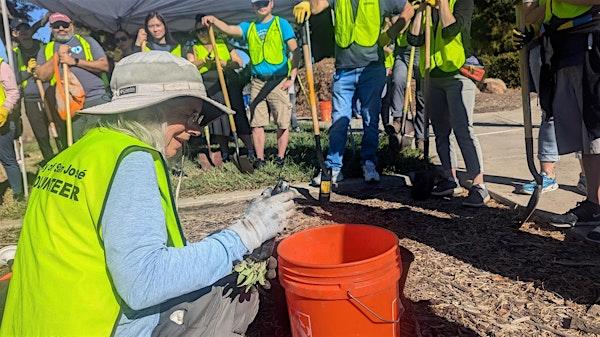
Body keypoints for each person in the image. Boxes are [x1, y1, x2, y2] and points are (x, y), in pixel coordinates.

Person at [0, 51, 296, 337]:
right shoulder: (132, 159)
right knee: (227, 294)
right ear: (149, 110)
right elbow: (144, 282)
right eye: (188, 114)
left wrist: (233, 247)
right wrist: (245, 234)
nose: (195, 129)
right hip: (100, 328)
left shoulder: (78, 154)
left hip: (41, 325)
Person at [295, 0, 415, 185]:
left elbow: (408, 9)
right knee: (339, 120)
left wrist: (391, 33)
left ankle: (369, 163)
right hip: (344, 69)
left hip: (372, 68)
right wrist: (306, 4)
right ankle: (333, 167)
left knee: (370, 119)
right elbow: (318, 5)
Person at [515, 0, 600, 243]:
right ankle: (594, 205)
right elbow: (540, 11)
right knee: (588, 136)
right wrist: (534, 29)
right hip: (567, 44)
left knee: (597, 129)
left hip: (592, 37)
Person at [407, 0, 489, 207]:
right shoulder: (428, 7)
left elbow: (451, 29)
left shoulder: (463, 2)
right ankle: (449, 178)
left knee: (463, 129)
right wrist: (421, 11)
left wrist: (442, 3)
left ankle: (479, 185)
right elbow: (413, 39)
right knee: (441, 132)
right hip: (433, 75)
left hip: (459, 74)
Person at [202, 0, 299, 169]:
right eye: (257, 3)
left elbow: (295, 50)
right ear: (253, 6)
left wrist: (292, 77)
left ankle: (280, 157)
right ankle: (260, 159)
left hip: (278, 80)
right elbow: (229, 29)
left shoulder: (281, 23)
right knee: (256, 123)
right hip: (258, 81)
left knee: (282, 122)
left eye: (265, 2)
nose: (261, 6)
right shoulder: (249, 27)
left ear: (272, 4)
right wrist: (214, 20)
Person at [33, 12, 110, 145]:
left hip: (96, 100)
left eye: (64, 25)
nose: (61, 29)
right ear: (51, 28)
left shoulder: (87, 41)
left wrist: (74, 61)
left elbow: (104, 65)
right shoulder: (46, 49)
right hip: (71, 106)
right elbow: (42, 75)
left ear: (72, 25)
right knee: (81, 145)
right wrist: (57, 56)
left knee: (103, 141)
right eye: (56, 26)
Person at [187, 16, 255, 161]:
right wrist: (205, 60)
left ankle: (250, 149)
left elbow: (239, 62)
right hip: (210, 86)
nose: (202, 34)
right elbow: (190, 65)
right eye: (199, 31)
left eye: (205, 30)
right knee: (218, 119)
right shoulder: (193, 47)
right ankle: (224, 152)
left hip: (229, 83)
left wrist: (226, 63)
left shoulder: (223, 43)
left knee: (237, 115)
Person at [10, 18, 55, 162]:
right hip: (31, 100)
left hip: (51, 93)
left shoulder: (44, 46)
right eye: (19, 30)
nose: (23, 32)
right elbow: (15, 79)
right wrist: (29, 71)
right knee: (41, 135)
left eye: (26, 28)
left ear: (31, 30)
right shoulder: (14, 53)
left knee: (59, 130)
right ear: (14, 34)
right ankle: (49, 161)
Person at [389, 26, 426, 152]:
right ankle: (398, 119)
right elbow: (395, 23)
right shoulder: (402, 5)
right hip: (402, 50)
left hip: (420, 50)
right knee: (398, 80)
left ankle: (421, 137)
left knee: (422, 96)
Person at [0, 57, 23, 201]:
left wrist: (5, 109)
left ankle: (18, 194)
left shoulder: (2, 66)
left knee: (7, 158)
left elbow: (13, 92)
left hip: (3, 121)